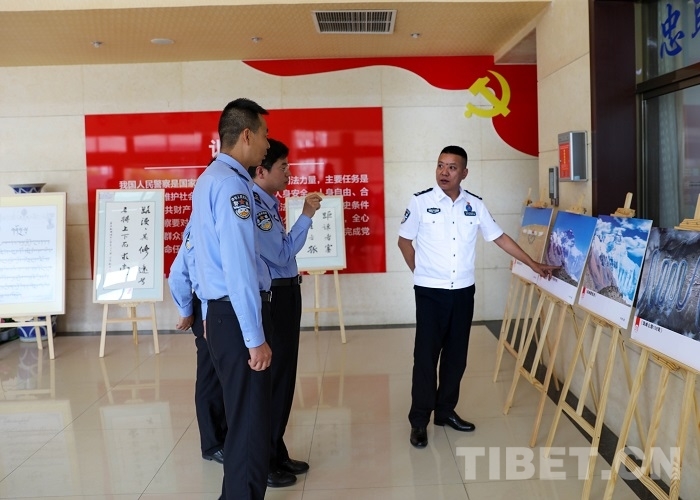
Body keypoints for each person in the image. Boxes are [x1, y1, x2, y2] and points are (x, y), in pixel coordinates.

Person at [397, 145, 556, 449]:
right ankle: (419, 420)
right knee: (426, 357)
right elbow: (404, 241)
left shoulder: (475, 205)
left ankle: (445, 411)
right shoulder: (420, 202)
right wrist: (420, 272)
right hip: (430, 293)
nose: (444, 172)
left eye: (452, 167)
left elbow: (500, 238)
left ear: (464, 173)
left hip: (463, 291)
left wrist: (532, 264)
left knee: (456, 356)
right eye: (440, 165)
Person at [190, 97, 272, 500]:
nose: (268, 145)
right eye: (265, 135)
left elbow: (198, 254)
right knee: (250, 423)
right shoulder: (233, 187)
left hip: (220, 313)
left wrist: (207, 312)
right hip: (236, 317)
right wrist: (254, 338)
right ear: (246, 135)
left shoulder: (209, 179)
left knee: (241, 418)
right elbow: (238, 268)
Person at [248, 138, 322, 488]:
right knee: (276, 379)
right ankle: (265, 460)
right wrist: (306, 217)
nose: (289, 172)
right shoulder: (257, 208)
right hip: (276, 296)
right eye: (283, 167)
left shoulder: (268, 202)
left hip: (286, 292)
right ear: (262, 171)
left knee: (285, 376)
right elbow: (281, 254)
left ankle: (276, 450)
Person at [168, 221, 226, 465]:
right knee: (210, 377)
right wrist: (186, 310)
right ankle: (213, 444)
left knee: (223, 377)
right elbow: (178, 273)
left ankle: (225, 436)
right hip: (210, 308)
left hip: (220, 308)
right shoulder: (201, 226)